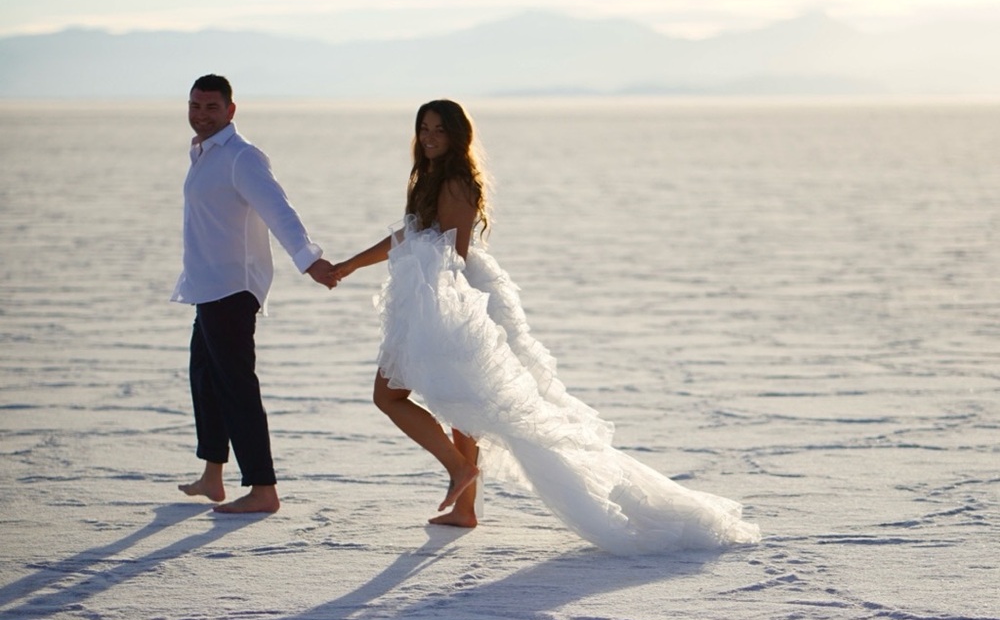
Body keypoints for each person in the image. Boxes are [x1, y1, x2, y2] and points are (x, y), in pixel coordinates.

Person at [332, 99, 761, 554]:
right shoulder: (429, 177)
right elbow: (408, 235)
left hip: (452, 299)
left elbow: (452, 253)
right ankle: (466, 506)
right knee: (462, 404)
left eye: (439, 129)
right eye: (424, 128)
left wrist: (434, 302)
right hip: (432, 295)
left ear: (458, 135)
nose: (430, 136)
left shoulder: (456, 181)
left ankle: (460, 471)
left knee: (396, 395)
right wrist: (348, 265)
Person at [172, 74, 337, 514]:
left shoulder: (241, 157)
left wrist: (309, 259)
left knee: (236, 387)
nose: (201, 114)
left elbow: (278, 209)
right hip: (207, 286)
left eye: (211, 107)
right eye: (195, 105)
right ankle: (213, 475)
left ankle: (263, 489)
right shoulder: (203, 153)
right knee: (205, 381)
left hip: (232, 288)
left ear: (231, 110)